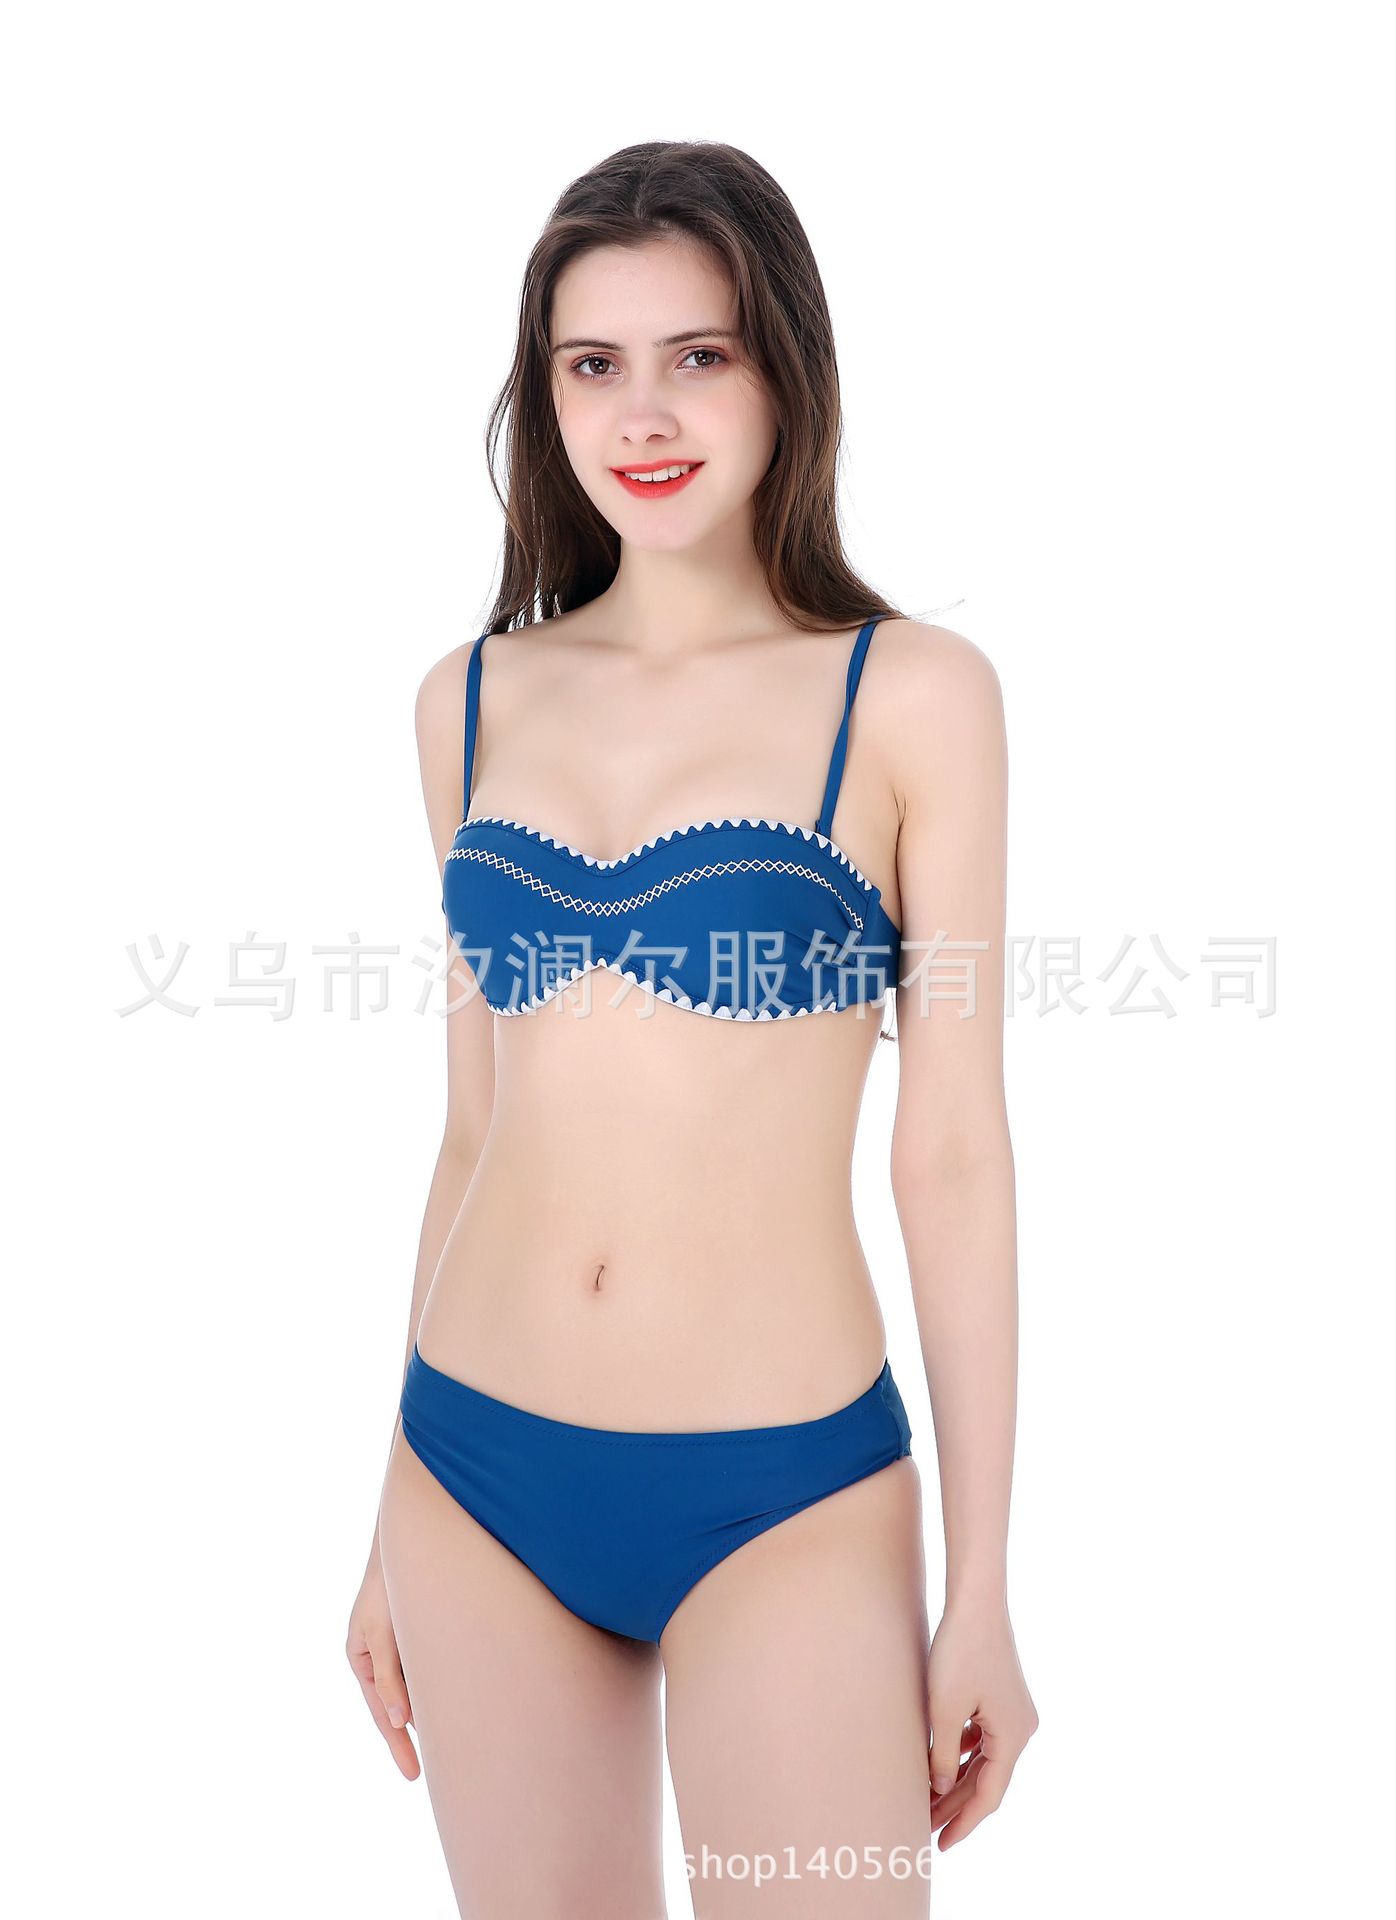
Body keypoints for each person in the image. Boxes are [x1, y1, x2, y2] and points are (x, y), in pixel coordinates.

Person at [346, 140, 1037, 1918]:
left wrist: (981, 1591)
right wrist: (378, 1516)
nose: (642, 413)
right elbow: (472, 1129)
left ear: (784, 370)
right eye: (593, 364)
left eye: (698, 355)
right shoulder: (469, 698)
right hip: (472, 1469)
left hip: (785, 1491)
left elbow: (955, 1150)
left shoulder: (911, 694)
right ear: (545, 394)